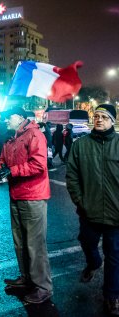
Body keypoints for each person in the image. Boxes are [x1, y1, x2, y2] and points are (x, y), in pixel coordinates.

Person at [0, 106, 53, 304]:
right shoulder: (11, 138)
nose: (5, 121)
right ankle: (27, 277)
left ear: (19, 117)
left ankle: (43, 287)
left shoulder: (34, 135)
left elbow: (38, 164)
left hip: (33, 196)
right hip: (16, 194)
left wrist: (12, 171)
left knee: (35, 245)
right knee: (20, 242)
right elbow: (2, 161)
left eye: (8, 117)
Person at [66, 104, 119, 316]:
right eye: (96, 116)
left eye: (104, 117)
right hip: (89, 211)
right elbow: (72, 176)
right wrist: (80, 201)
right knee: (87, 243)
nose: (99, 119)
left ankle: (112, 296)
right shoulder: (81, 145)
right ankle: (93, 262)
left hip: (116, 214)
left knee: (114, 255)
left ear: (112, 121)